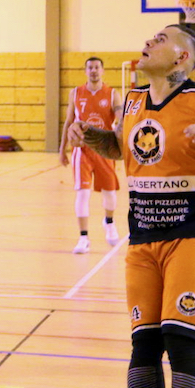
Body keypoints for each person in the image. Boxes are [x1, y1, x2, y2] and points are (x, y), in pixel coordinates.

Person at [70, 24, 195, 388]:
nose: (150, 41)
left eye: (162, 39)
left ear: (182, 58)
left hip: (193, 235)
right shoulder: (131, 100)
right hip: (143, 237)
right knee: (144, 343)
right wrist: (90, 135)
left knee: (181, 339)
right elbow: (121, 147)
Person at [59, 57, 122, 253]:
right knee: (82, 193)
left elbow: (121, 119)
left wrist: (122, 135)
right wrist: (62, 149)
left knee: (110, 193)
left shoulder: (113, 94)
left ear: (102, 70)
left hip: (105, 150)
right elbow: (69, 121)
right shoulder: (76, 93)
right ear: (85, 71)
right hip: (82, 150)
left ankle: (109, 222)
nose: (93, 70)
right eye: (90, 67)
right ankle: (83, 238)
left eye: (97, 67)